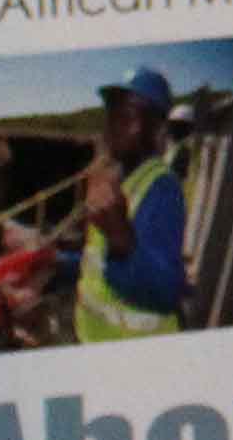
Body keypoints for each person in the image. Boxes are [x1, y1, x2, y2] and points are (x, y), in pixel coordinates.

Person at [75, 70, 190, 341]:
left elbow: (166, 295)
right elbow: (97, 260)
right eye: (111, 114)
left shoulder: (162, 189)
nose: (113, 126)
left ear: (157, 129)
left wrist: (121, 239)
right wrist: (55, 262)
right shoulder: (123, 180)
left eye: (128, 117)